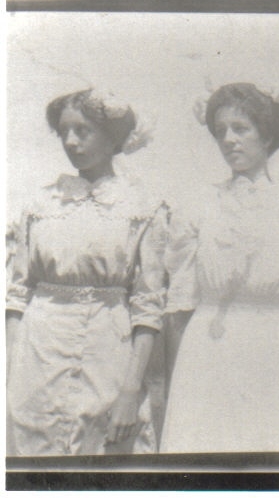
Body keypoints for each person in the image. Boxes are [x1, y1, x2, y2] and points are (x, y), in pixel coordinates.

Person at [160, 82, 279, 453]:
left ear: (267, 135)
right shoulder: (199, 205)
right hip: (206, 354)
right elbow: (180, 304)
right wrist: (179, 383)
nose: (229, 140)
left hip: (277, 352)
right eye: (220, 131)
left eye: (241, 129)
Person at [6, 89, 166, 455]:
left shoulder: (142, 208)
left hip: (108, 350)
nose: (70, 141)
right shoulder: (41, 205)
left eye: (83, 131)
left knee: (104, 454)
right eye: (64, 131)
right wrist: (11, 370)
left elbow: (148, 306)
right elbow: (17, 294)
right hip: (38, 354)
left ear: (112, 138)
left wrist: (130, 389)